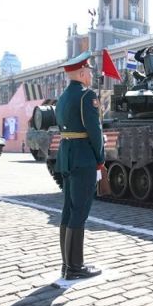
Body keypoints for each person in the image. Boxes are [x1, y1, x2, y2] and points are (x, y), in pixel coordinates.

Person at [55, 51, 105, 280]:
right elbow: (95, 131)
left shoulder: (63, 97)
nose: (91, 76)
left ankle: (67, 265)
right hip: (83, 157)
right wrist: (100, 159)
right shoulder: (87, 96)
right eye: (90, 72)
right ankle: (75, 267)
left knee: (68, 210)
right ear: (83, 72)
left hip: (67, 156)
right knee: (80, 211)